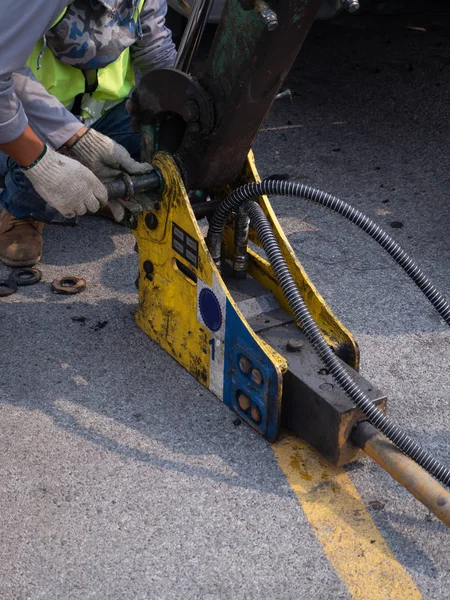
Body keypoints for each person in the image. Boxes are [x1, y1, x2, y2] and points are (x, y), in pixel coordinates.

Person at [0, 0, 177, 267]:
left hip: (104, 113)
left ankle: (98, 192)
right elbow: (3, 72)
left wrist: (181, 109)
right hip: (27, 115)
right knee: (43, 165)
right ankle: (23, 212)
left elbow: (156, 52)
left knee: (154, 143)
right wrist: (43, 163)